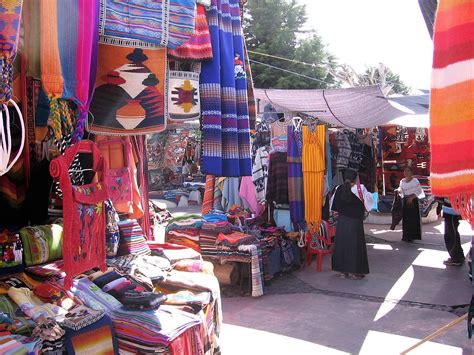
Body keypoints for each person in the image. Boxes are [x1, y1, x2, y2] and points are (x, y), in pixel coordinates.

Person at [331, 169, 374, 280]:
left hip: (342, 222)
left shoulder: (338, 189)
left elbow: (333, 205)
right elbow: (369, 205)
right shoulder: (361, 189)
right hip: (355, 223)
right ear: (355, 179)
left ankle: (343, 271)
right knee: (355, 246)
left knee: (342, 245)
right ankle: (354, 272)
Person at [398, 167, 425, 242]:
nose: (406, 172)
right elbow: (401, 190)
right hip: (405, 201)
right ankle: (406, 236)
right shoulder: (402, 181)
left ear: (411, 172)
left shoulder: (415, 181)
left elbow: (419, 191)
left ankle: (412, 236)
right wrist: (399, 191)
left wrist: (412, 197)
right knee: (406, 219)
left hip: (413, 201)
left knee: (413, 219)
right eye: (405, 171)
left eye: (408, 171)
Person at [440, 198, 465, 266]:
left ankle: (456, 258)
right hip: (451, 207)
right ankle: (458, 256)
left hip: (452, 209)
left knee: (450, 234)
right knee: (452, 233)